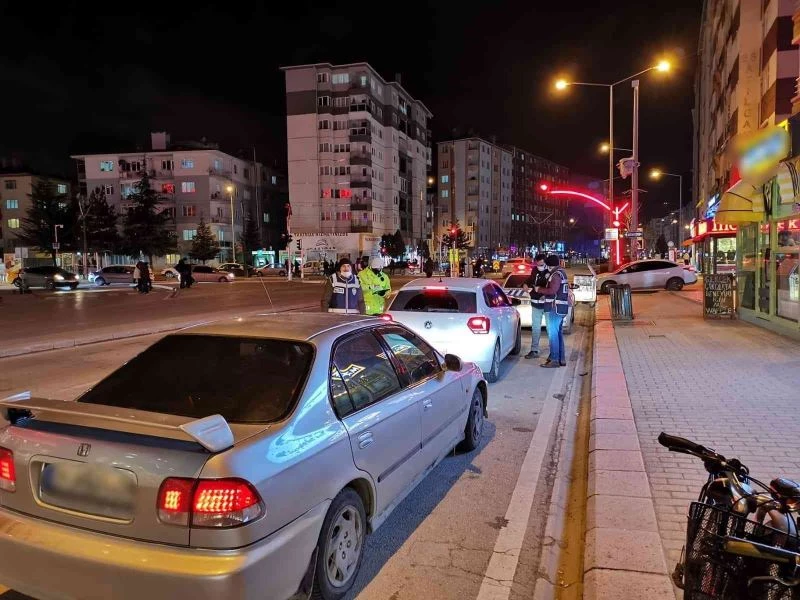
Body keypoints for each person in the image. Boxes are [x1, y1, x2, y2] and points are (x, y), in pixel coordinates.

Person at [537, 255, 569, 368]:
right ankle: (561, 359)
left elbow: (552, 290)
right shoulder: (562, 273)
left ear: (550, 265)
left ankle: (555, 359)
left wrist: (539, 290)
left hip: (554, 308)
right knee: (558, 334)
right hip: (560, 308)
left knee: (553, 335)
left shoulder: (555, 275)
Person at [522, 254, 549, 359]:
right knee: (536, 328)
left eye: (541, 264)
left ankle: (554, 352)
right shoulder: (534, 270)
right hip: (535, 303)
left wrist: (545, 295)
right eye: (538, 264)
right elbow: (531, 280)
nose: (540, 266)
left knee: (550, 329)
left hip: (547, 305)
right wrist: (525, 284)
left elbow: (552, 287)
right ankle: (534, 350)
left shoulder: (550, 272)